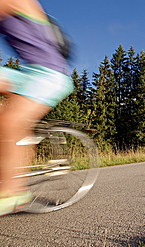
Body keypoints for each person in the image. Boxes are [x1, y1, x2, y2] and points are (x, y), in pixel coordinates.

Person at [0, 0, 73, 216]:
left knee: (10, 122)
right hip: (27, 73)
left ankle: (14, 192)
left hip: (51, 74)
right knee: (9, 124)